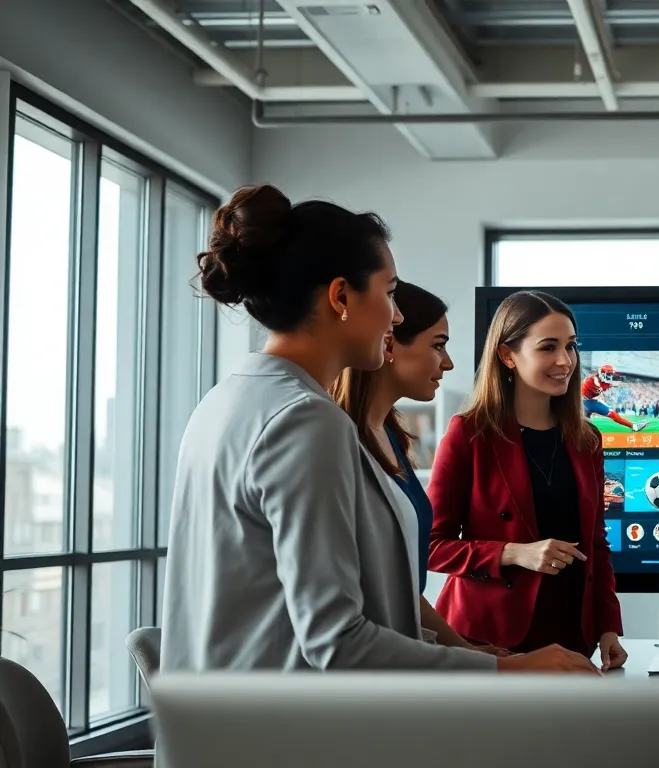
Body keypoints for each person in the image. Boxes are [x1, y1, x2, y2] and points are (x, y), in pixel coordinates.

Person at [160, 184, 593, 676]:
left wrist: (462, 652)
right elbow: (338, 644)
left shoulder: (225, 399)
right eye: (390, 294)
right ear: (341, 296)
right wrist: (508, 671)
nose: (399, 314)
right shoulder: (305, 419)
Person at [427, 290, 628, 670]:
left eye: (571, 346)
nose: (565, 361)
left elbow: (596, 544)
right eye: (548, 347)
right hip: (488, 641)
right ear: (507, 355)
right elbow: (431, 546)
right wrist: (515, 552)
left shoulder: (588, 439)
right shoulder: (468, 434)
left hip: (573, 638)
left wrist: (608, 629)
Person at [330, 281, 510, 658]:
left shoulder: (393, 437)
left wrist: (473, 653)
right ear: (391, 343)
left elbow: (407, 591)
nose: (448, 363)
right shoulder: (337, 442)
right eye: (438, 345)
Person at [581, 363, 647, 432]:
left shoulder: (602, 380)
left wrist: (616, 383)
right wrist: (612, 384)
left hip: (588, 402)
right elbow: (596, 383)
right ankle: (634, 426)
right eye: (609, 374)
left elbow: (608, 383)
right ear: (602, 374)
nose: (610, 376)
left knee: (586, 425)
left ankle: (634, 426)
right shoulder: (592, 381)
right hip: (584, 402)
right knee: (584, 425)